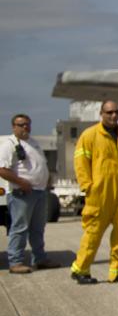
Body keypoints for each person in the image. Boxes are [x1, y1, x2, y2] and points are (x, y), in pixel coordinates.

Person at [70, 100, 118, 284]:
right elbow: (80, 162)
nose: (113, 115)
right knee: (93, 232)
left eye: (116, 112)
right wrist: (87, 186)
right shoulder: (90, 135)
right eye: (109, 112)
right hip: (100, 193)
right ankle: (81, 269)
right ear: (101, 113)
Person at [1, 114, 52, 274]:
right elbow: (2, 170)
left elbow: (40, 164)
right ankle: (15, 262)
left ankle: (40, 259)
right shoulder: (9, 144)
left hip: (39, 192)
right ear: (13, 126)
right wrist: (22, 183)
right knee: (20, 228)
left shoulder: (33, 142)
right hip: (21, 193)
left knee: (38, 228)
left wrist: (46, 181)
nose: (25, 127)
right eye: (21, 124)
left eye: (28, 124)